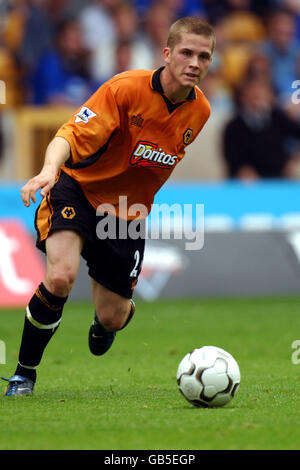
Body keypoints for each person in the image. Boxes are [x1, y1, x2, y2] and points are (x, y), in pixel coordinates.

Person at [1, 16, 215, 396]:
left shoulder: (200, 112)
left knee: (113, 317)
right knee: (60, 277)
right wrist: (49, 170)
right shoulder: (125, 89)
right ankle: (23, 375)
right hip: (77, 191)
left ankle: (104, 324)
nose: (195, 63)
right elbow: (69, 133)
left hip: (125, 215)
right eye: (186, 53)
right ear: (166, 54)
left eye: (204, 56)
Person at [223, 77, 300, 179]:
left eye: (260, 94)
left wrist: (295, 160)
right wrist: (241, 169)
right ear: (243, 97)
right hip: (248, 177)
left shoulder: (279, 118)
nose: (256, 98)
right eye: (252, 94)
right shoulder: (234, 126)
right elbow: (231, 155)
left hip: (279, 174)